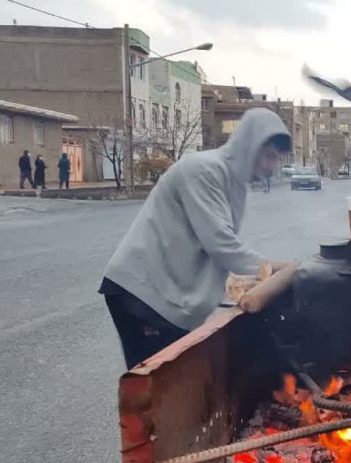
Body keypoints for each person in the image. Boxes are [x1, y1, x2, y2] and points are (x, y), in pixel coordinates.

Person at [100, 108, 291, 369]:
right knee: (156, 391)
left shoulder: (234, 183)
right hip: (143, 292)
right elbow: (220, 244)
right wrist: (274, 271)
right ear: (249, 145)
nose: (272, 167)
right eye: (269, 156)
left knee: (170, 387)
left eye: (277, 160)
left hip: (166, 294)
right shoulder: (205, 170)